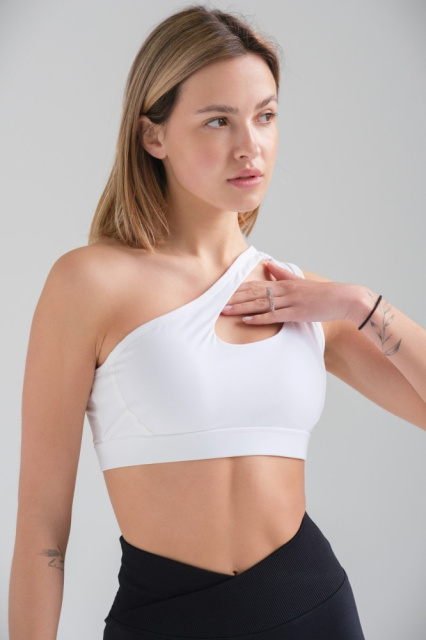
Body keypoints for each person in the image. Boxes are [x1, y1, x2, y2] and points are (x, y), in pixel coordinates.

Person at [8, 4, 426, 639]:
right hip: (165, 620)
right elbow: (42, 522)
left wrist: (361, 305)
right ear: (153, 136)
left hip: (314, 610)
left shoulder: (301, 297)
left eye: (265, 116)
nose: (249, 146)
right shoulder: (87, 284)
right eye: (217, 121)